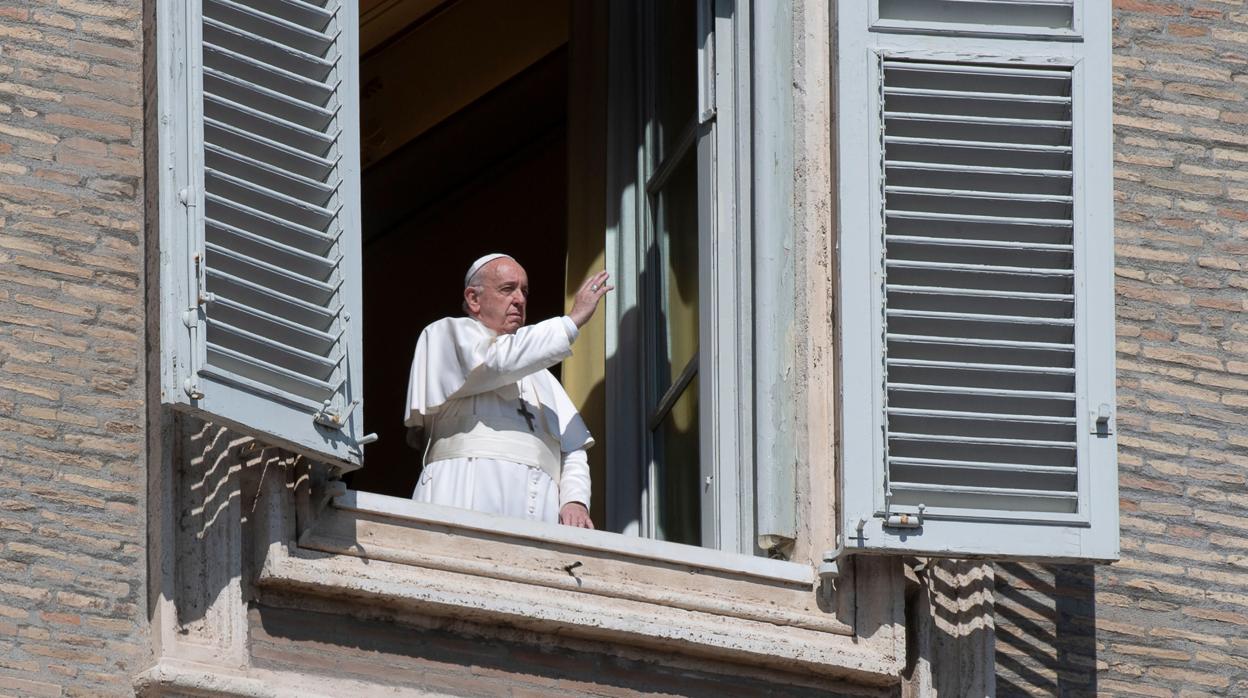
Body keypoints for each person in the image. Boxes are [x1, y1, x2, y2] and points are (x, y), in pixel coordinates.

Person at [403, 253, 612, 528]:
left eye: (524, 291)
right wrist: (570, 322)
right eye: (507, 289)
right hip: (462, 495)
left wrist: (575, 500)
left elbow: (573, 449)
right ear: (473, 299)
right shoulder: (445, 335)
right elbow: (497, 362)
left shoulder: (543, 378)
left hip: (539, 513)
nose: (520, 299)